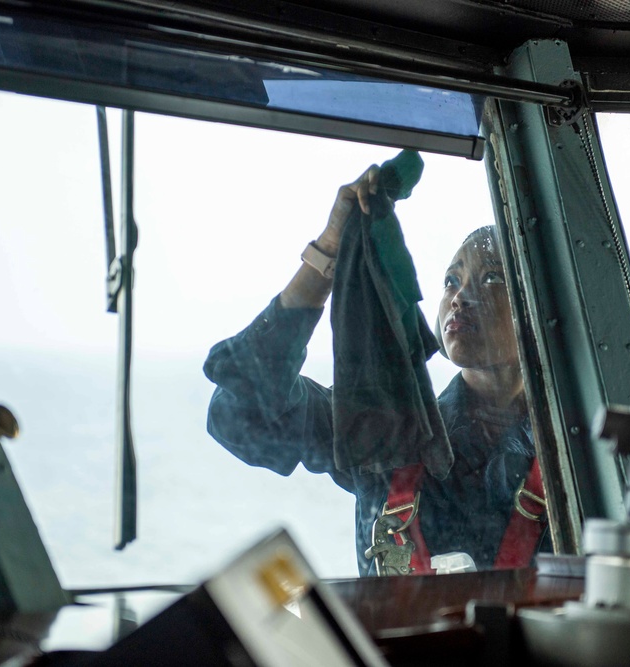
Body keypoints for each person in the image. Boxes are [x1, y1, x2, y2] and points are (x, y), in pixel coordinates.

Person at [203, 165, 547, 576]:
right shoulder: (382, 431)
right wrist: (328, 253)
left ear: (538, 307)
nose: (459, 298)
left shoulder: (574, 453)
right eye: (451, 280)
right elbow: (238, 412)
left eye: (491, 277)